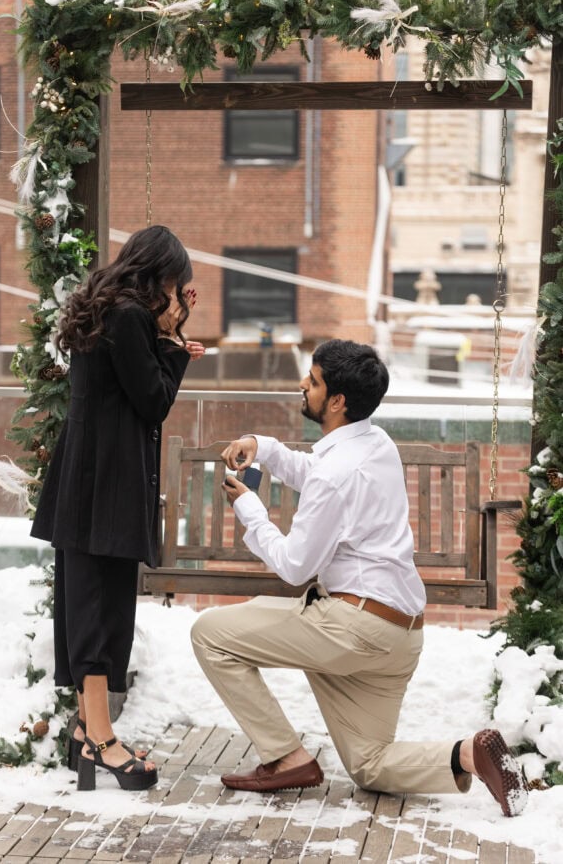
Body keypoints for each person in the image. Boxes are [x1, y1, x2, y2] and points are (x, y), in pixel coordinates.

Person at [191, 339, 528, 817]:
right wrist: (262, 447)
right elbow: (317, 470)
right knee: (369, 766)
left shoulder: (338, 473)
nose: (302, 385)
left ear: (337, 402)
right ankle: (467, 753)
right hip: (400, 634)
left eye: (312, 381)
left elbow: (294, 566)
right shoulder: (375, 443)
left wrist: (249, 509)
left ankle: (286, 758)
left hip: (353, 631)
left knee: (210, 634)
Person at [31, 225, 205, 792]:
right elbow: (151, 401)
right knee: (102, 611)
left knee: (87, 603)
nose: (177, 296)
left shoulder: (103, 307)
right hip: (108, 483)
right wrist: (176, 348)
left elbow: (120, 382)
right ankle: (103, 742)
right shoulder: (130, 315)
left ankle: (87, 733)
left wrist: (169, 337)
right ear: (161, 274)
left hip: (86, 477)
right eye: (177, 285)